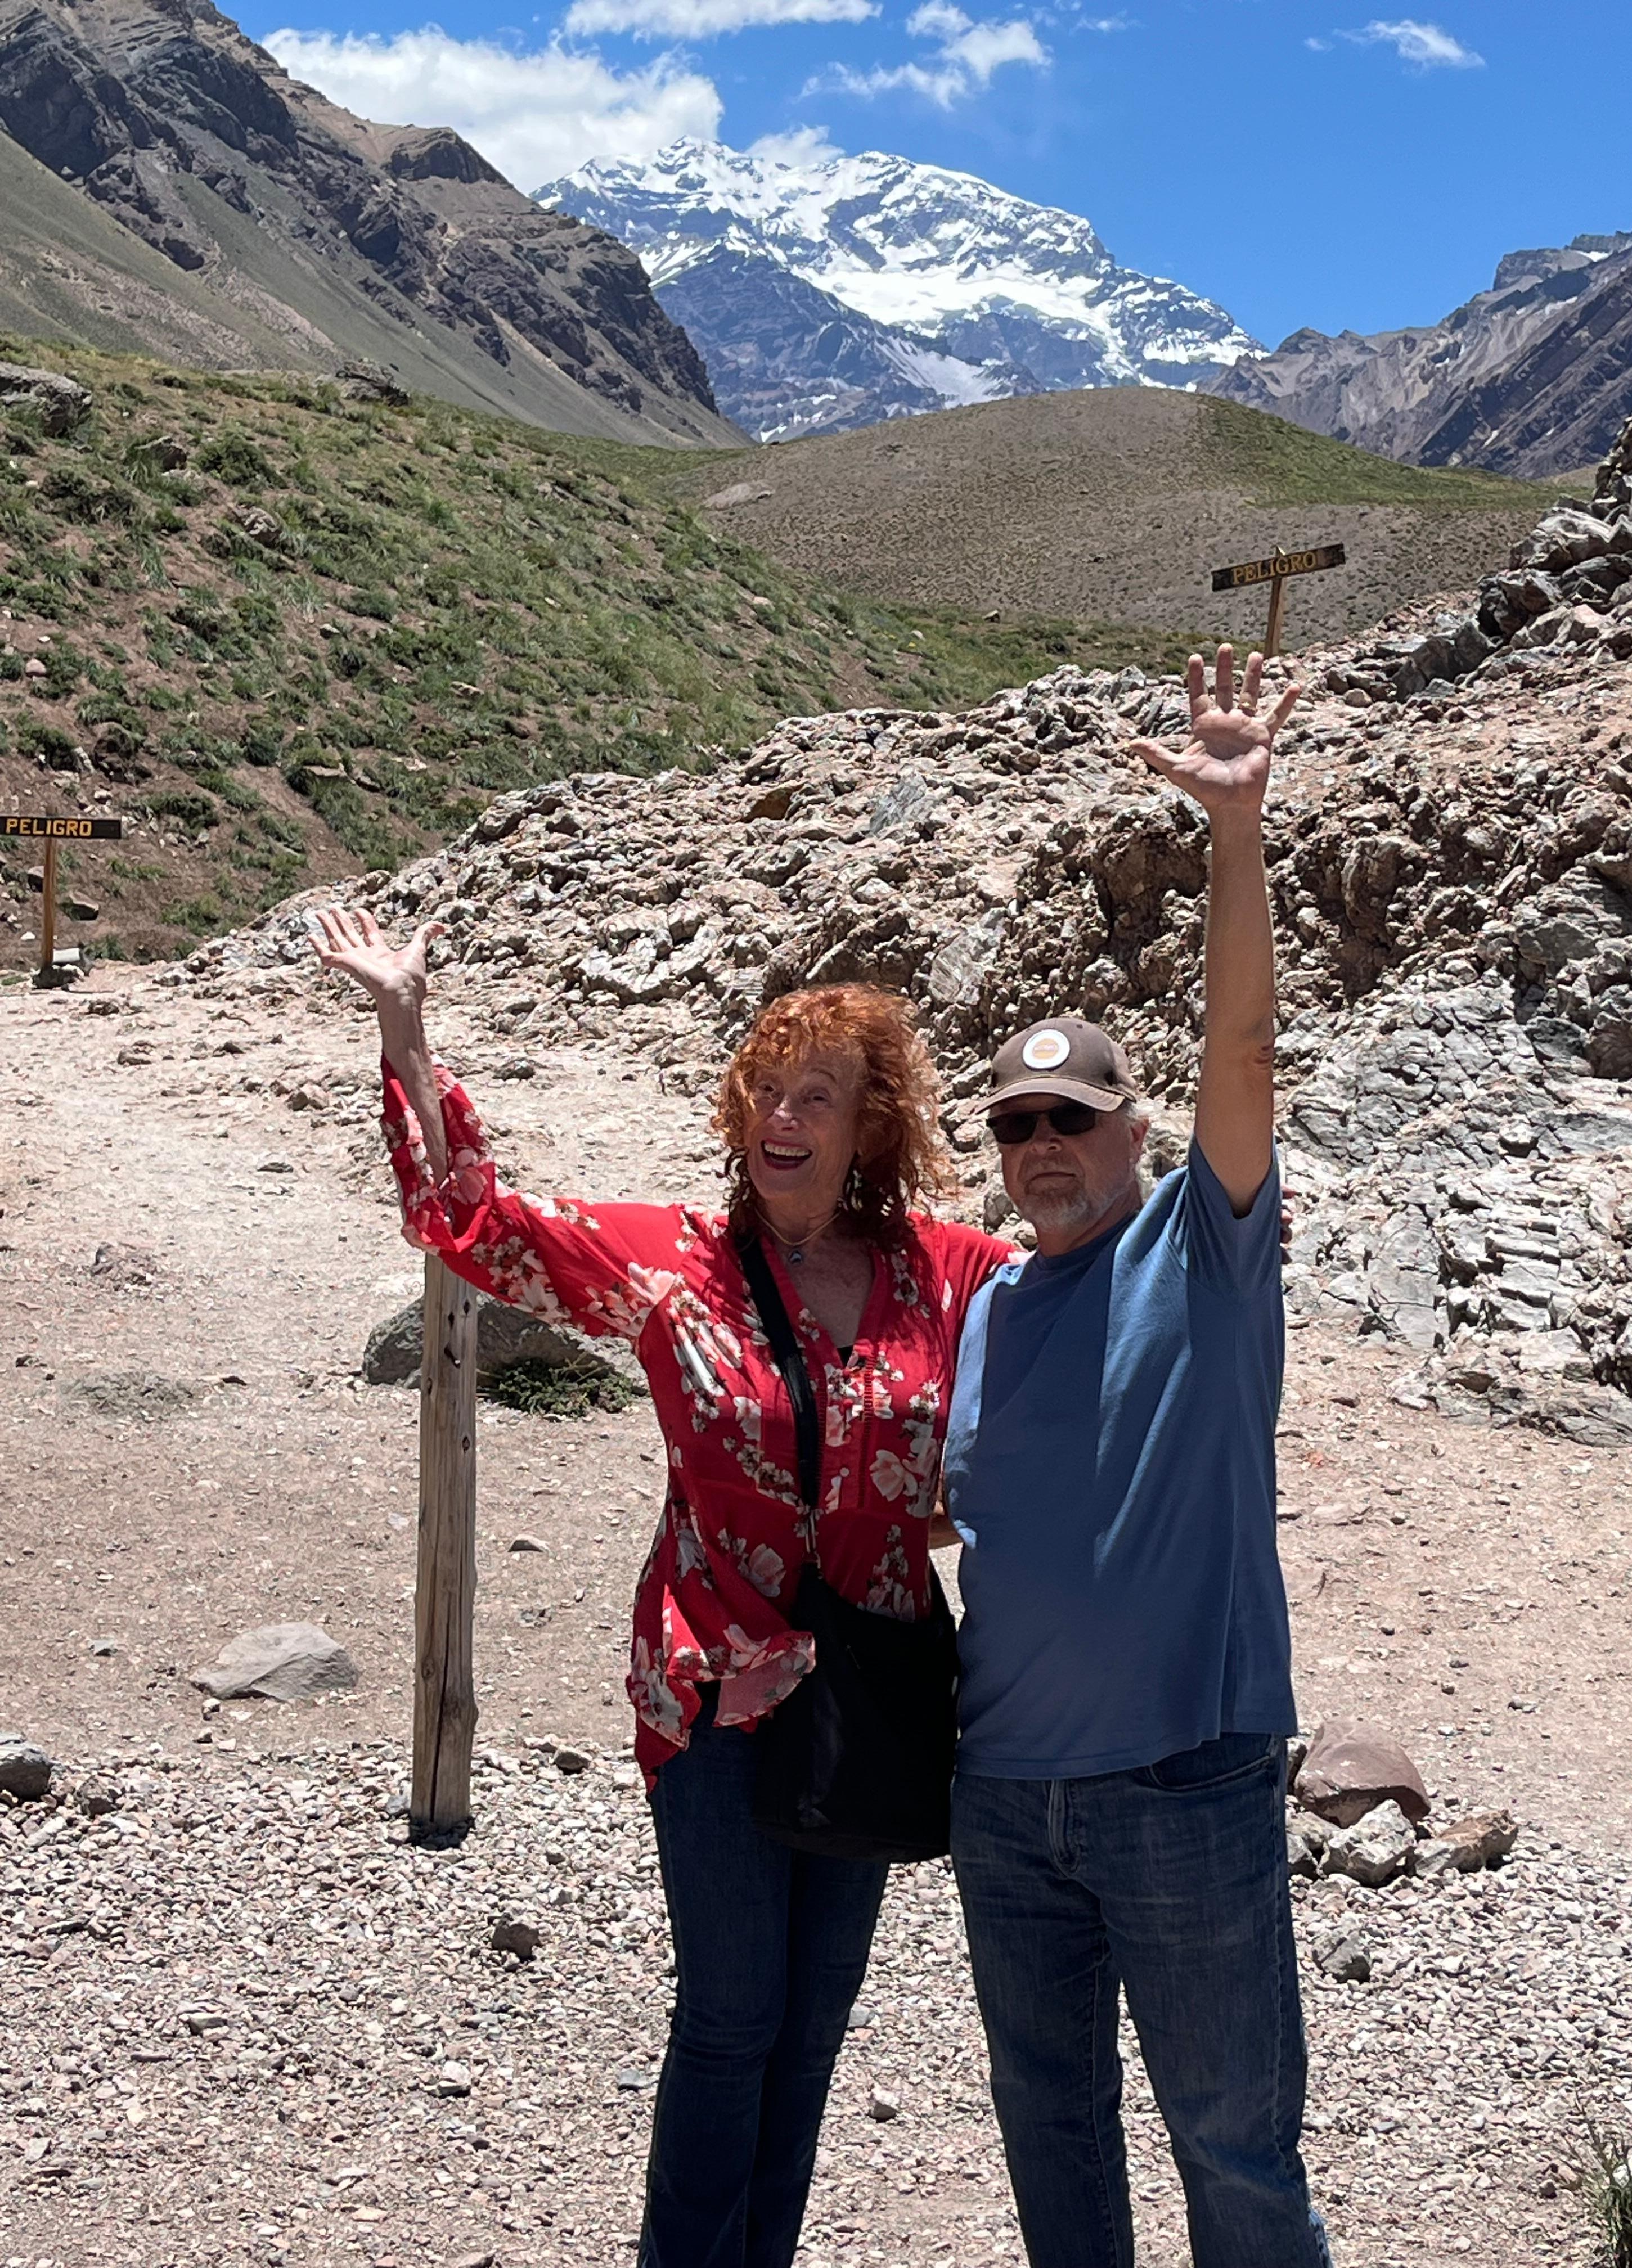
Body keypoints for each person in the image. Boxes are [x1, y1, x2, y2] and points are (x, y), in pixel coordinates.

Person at [304, 922, 1014, 2268]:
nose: (782, 1116)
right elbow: (468, 1220)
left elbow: (1092, 1302)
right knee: (735, 2017)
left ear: (873, 1127)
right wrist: (407, 1027)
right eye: (766, 1088)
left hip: (875, 1694)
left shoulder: (945, 1271)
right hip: (715, 1687)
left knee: (812, 2033)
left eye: (819, 1095)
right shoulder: (668, 1260)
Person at [941, 645, 1333, 2268]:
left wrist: (1238, 830)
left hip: (1183, 1778)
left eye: (1073, 1122)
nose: (1042, 1150)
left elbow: (1241, 1053)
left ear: (1134, 1132)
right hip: (1006, 1798)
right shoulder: (985, 1304)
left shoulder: (1204, 1244)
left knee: (1234, 2149)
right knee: (1052, 2141)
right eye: (1017, 1127)